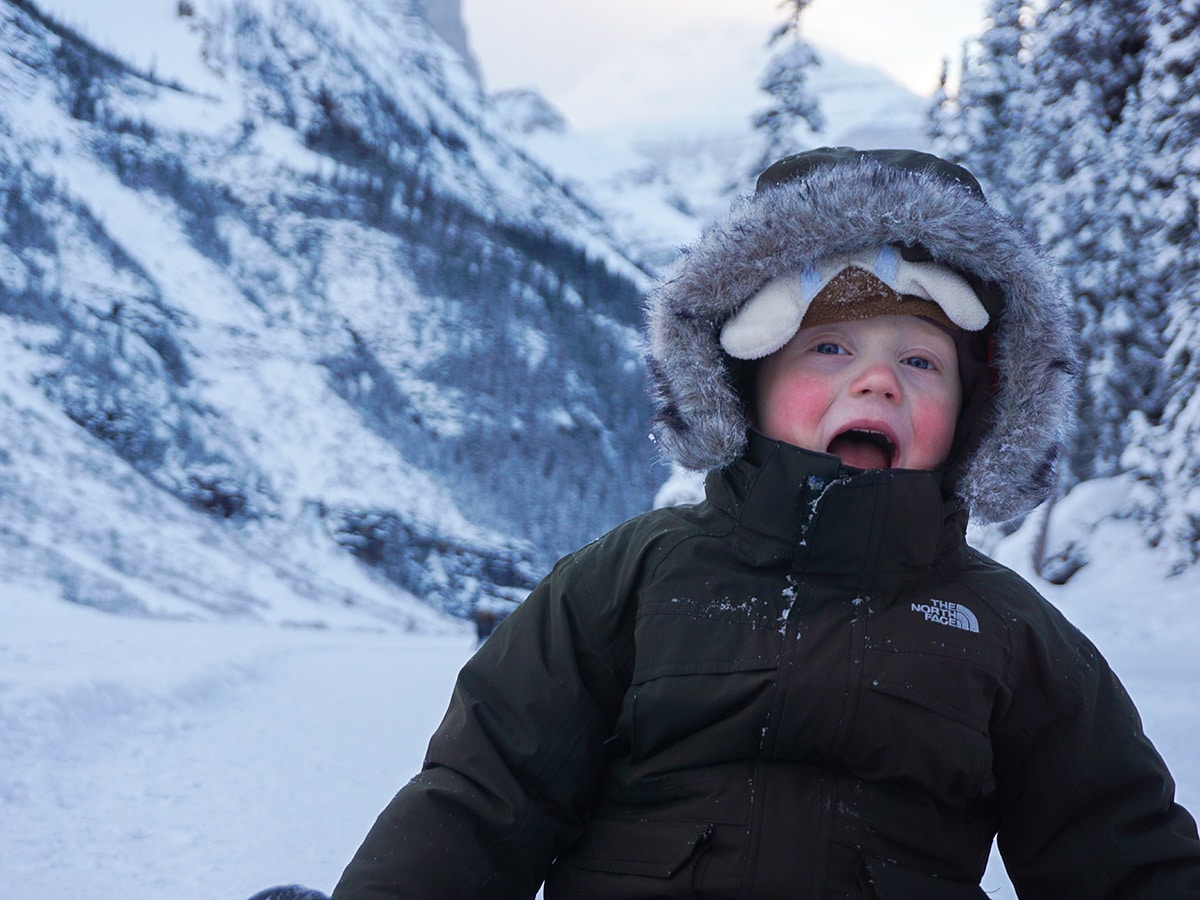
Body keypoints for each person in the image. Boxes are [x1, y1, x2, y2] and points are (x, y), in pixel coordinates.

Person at [327, 148, 1200, 898]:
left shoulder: (1008, 632)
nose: (878, 382)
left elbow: (1123, 851)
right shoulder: (628, 579)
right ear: (743, 381)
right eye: (829, 348)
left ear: (979, 412)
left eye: (922, 360)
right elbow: (480, 801)